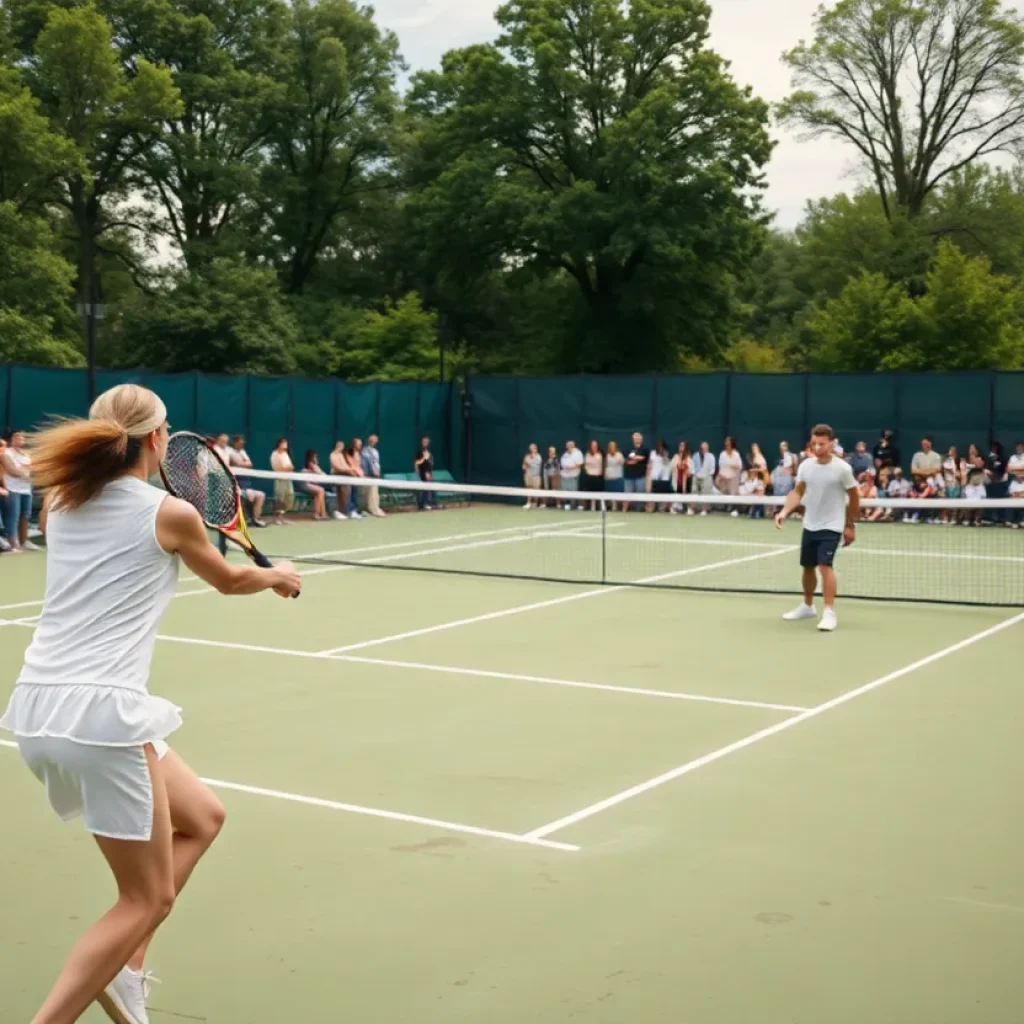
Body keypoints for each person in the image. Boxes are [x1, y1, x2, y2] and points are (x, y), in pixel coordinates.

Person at [0, 384, 301, 1024]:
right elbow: (228, 580)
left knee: (204, 817)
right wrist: (277, 574)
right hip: (102, 716)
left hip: (39, 708)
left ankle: (126, 972)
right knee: (146, 899)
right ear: (160, 441)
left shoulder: (59, 502)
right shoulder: (171, 513)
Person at [774, 423, 859, 632]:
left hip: (832, 525)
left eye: (822, 444)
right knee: (808, 567)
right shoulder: (805, 466)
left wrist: (850, 525)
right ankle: (807, 606)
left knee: (825, 565)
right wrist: (784, 511)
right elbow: (798, 492)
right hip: (810, 524)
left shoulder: (843, 469)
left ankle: (829, 612)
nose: (817, 448)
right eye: (814, 444)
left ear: (832, 443)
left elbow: (855, 497)